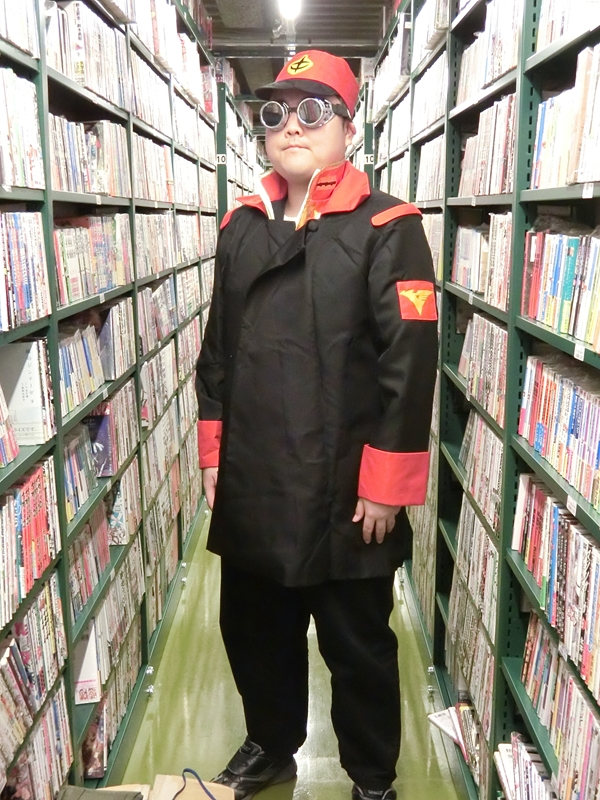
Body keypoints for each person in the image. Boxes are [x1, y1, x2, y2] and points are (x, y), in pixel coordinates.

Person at [195, 49, 438, 800]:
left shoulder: (387, 226)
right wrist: (214, 456)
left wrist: (388, 484)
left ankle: (371, 777)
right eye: (275, 114)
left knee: (357, 646)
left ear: (347, 128)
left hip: (347, 491)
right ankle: (271, 742)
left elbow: (410, 363)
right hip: (257, 479)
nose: (291, 127)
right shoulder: (241, 227)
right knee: (254, 632)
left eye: (312, 111)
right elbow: (217, 350)